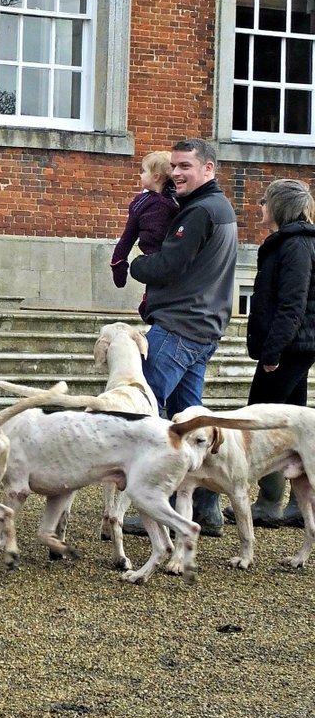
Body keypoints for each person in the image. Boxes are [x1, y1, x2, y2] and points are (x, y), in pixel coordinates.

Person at [123, 137, 239, 537]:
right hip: (203, 327)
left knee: (146, 412)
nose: (175, 173)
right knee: (193, 426)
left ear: (208, 169)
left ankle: (155, 507)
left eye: (185, 166)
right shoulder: (216, 207)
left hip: (180, 326)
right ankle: (203, 507)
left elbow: (169, 265)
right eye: (173, 166)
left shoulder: (201, 211)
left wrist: (135, 264)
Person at [224, 179, 315, 529]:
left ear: (279, 206)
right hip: (295, 346)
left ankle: (270, 503)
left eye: (264, 200)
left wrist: (272, 352)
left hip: (290, 348)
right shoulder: (290, 242)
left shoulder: (296, 245)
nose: (259, 205)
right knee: (290, 420)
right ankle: (289, 504)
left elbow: (292, 304)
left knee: (260, 419)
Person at [110, 150, 179, 320]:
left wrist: (118, 263)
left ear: (155, 177)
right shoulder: (177, 201)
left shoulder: (144, 203)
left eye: (143, 171)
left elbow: (127, 237)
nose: (140, 174)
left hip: (159, 259)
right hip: (168, 262)